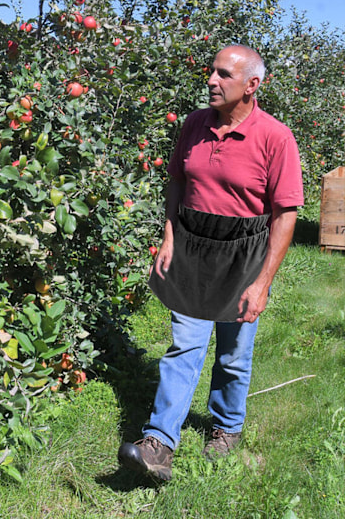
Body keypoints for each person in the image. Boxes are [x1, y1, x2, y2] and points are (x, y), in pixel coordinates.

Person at [118, 44, 304, 481]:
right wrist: (168, 238)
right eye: (212, 72)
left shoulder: (275, 137)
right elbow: (177, 182)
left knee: (234, 355)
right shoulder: (194, 125)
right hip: (194, 248)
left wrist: (261, 282)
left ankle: (226, 426)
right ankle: (159, 442)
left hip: (244, 254)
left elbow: (285, 215)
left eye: (224, 74)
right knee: (184, 345)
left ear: (251, 85)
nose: (212, 81)